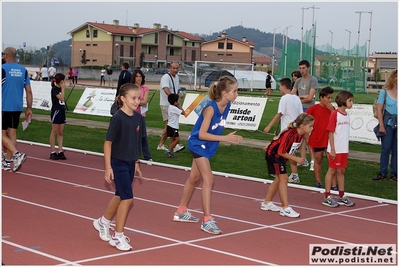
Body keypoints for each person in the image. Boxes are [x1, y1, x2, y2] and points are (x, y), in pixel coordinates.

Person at [173, 76, 243, 235]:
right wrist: (225, 138)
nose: (237, 94)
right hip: (198, 144)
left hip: (208, 145)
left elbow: (215, 128)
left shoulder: (228, 105)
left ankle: (181, 211)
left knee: (194, 178)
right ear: (224, 93)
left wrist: (226, 135)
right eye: (235, 91)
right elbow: (202, 134)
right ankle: (207, 220)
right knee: (209, 179)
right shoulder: (210, 108)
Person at [93, 83, 146, 251]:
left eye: (138, 98)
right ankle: (118, 235)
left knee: (119, 195)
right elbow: (108, 143)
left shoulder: (138, 119)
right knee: (128, 198)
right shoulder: (117, 118)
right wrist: (108, 167)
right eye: (133, 98)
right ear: (122, 98)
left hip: (130, 162)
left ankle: (103, 222)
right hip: (118, 163)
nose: (137, 101)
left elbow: (136, 142)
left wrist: (137, 162)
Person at [261, 113, 314, 218]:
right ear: (302, 126)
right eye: (310, 126)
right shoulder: (291, 134)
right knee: (284, 179)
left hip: (281, 156)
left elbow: (280, 137)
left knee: (278, 179)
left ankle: (266, 203)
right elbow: (280, 151)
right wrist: (297, 159)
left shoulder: (301, 134)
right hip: (274, 155)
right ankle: (285, 208)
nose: (312, 128)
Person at [263, 78, 303, 182]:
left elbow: (280, 113)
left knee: (281, 151)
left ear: (284, 86)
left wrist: (269, 126)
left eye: (280, 86)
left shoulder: (284, 98)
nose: (279, 88)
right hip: (295, 131)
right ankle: (290, 174)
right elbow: (301, 115)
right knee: (288, 152)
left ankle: (285, 173)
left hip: (287, 131)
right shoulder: (297, 98)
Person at [1, 47, 33, 172]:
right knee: (12, 133)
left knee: (2, 134)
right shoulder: (23, 70)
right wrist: (29, 108)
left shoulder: (2, 69)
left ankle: (17, 154)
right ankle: (8, 163)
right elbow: (29, 91)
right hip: (17, 106)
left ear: (5, 55)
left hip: (4, 106)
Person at [322, 90, 355, 207]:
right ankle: (327, 196)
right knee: (332, 171)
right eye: (350, 100)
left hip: (343, 149)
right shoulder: (335, 114)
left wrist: (346, 149)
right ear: (343, 101)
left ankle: (341, 195)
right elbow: (330, 132)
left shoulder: (347, 116)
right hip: (334, 149)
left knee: (341, 171)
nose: (352, 103)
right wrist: (332, 149)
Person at [305, 87, 336, 188]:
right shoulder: (313, 109)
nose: (330, 100)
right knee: (318, 160)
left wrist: (332, 111)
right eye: (328, 98)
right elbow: (304, 118)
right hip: (317, 139)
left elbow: (337, 122)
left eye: (331, 98)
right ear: (321, 98)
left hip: (329, 140)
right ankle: (318, 182)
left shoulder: (333, 110)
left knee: (331, 163)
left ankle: (333, 184)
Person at [291, 60, 317, 170]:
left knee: (309, 137)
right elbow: (292, 95)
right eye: (300, 68)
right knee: (300, 136)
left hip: (309, 109)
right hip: (300, 110)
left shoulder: (313, 80)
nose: (302, 70)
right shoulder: (298, 81)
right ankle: (303, 160)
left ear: (308, 68)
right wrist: (300, 98)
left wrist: (299, 98)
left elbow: (310, 98)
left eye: (304, 68)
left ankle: (313, 160)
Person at [372, 70, 397, 182]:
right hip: (387, 123)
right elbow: (379, 109)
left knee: (397, 150)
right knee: (386, 148)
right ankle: (383, 172)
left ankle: (394, 173)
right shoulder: (385, 92)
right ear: (393, 78)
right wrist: (381, 125)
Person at [157, 62, 184, 153]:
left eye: (177, 68)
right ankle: (165, 144)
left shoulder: (177, 78)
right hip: (166, 104)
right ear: (170, 68)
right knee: (170, 125)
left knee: (170, 125)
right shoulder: (166, 77)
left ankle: (169, 144)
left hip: (172, 104)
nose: (175, 70)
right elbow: (166, 89)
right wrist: (173, 99)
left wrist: (179, 95)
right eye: (174, 68)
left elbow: (177, 90)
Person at [132, 69, 152, 161]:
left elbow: (145, 101)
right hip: (131, 113)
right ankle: (133, 154)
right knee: (131, 135)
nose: (139, 78)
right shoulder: (131, 88)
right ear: (134, 77)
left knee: (143, 136)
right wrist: (139, 102)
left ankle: (147, 156)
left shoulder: (145, 88)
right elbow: (131, 101)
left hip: (141, 115)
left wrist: (137, 102)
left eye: (140, 76)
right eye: (137, 76)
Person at [49, 73, 67, 160]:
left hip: (62, 111)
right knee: (54, 132)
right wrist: (63, 88)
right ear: (61, 81)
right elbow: (61, 98)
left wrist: (62, 88)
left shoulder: (60, 89)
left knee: (60, 132)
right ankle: (53, 151)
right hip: (56, 111)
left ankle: (60, 150)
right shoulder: (54, 89)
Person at [165, 93, 185, 158]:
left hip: (170, 126)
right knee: (177, 140)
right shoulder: (174, 108)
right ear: (175, 102)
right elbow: (183, 113)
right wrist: (180, 106)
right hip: (173, 127)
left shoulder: (170, 107)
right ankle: (169, 151)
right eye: (177, 100)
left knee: (172, 140)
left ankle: (170, 151)